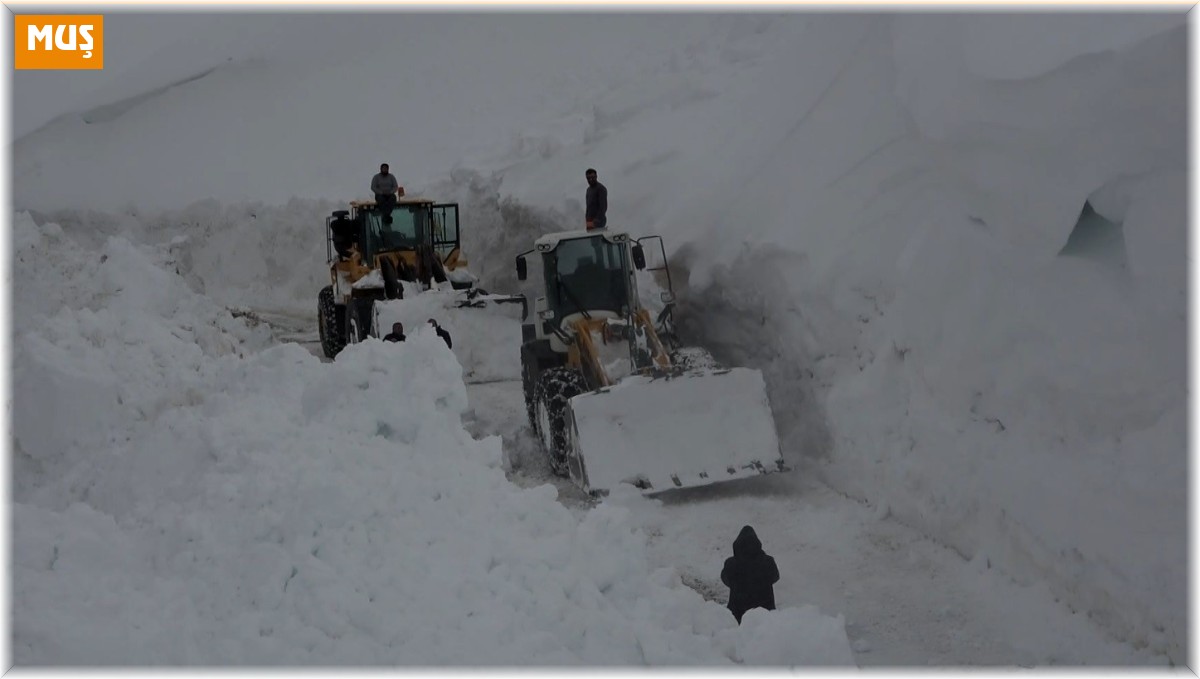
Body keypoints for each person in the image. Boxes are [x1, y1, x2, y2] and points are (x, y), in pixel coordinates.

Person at [720, 525, 779, 624]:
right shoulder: (768, 561)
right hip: (765, 609)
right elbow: (775, 577)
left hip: (737, 611)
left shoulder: (731, 563)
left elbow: (725, 579)